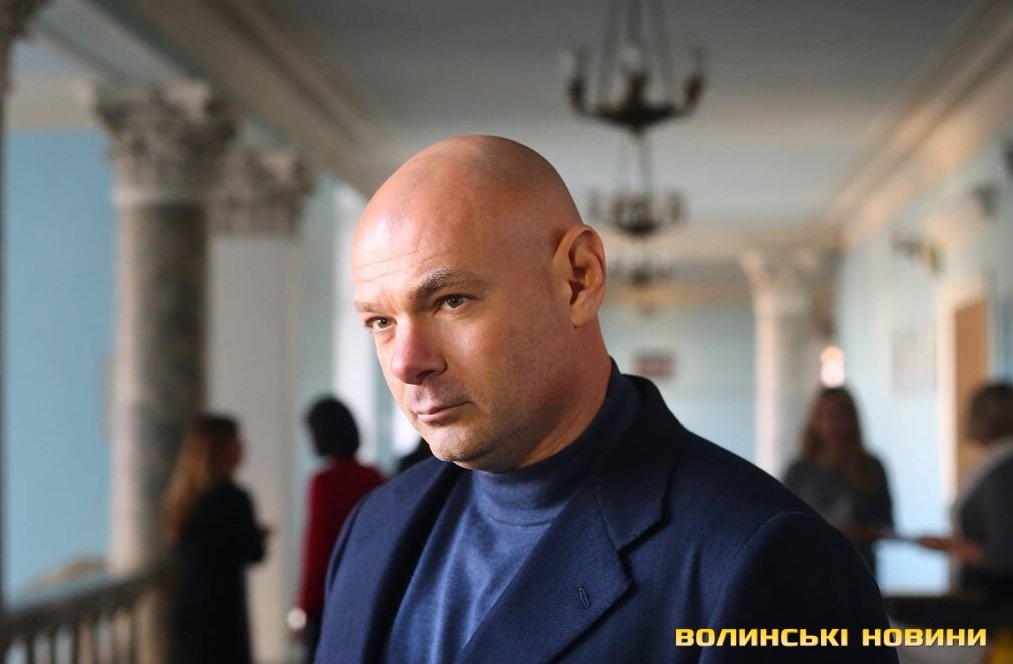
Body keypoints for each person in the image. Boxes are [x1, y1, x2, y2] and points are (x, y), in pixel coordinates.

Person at [315, 135, 897, 663]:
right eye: (381, 321)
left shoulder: (770, 558)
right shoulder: (372, 525)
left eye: (451, 301)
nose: (406, 362)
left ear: (579, 279)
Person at [164, 413, 267, 664]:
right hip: (225, 613)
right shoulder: (236, 499)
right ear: (218, 450)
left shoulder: (185, 501)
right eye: (235, 442)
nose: (242, 448)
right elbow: (253, 552)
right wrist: (259, 535)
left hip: (189, 610)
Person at [292, 396, 385, 663]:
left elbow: (318, 549)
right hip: (370, 592)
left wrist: (304, 607)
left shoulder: (324, 482)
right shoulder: (374, 476)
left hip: (332, 597)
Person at [916, 381, 1013, 601]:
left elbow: (1003, 552)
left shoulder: (1001, 470)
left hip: (994, 597)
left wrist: (948, 545)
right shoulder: (997, 463)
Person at [783, 386, 894, 576]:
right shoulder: (799, 471)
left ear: (852, 420)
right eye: (824, 416)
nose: (832, 424)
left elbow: (886, 525)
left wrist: (860, 532)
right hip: (809, 568)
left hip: (858, 569)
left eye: (839, 416)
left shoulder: (871, 468)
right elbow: (783, 523)